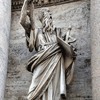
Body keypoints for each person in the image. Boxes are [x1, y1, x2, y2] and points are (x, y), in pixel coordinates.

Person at [20, 0, 76, 100]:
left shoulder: (57, 32)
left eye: (50, 16)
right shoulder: (36, 31)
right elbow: (22, 21)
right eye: (46, 15)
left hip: (56, 59)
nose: (49, 18)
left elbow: (67, 47)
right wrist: (26, 3)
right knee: (33, 91)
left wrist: (70, 49)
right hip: (41, 59)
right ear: (41, 19)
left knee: (54, 90)